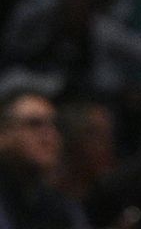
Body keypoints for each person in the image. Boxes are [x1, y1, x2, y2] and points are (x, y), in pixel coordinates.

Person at [0, 87, 91, 228]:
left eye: (54, 125)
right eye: (34, 124)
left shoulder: (63, 208)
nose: (49, 136)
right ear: (3, 134)